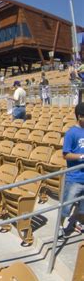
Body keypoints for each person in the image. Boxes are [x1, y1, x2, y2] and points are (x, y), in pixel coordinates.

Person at [60, 102, 84, 239]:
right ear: (80, 116)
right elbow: (66, 154)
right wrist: (82, 156)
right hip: (74, 177)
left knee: (83, 207)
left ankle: (78, 223)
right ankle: (59, 227)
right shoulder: (71, 133)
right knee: (66, 207)